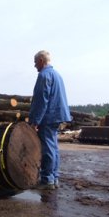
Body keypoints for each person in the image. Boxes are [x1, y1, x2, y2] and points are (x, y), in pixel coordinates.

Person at [29, 50, 71, 190]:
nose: (35, 65)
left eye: (35, 62)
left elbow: (41, 100)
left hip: (48, 117)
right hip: (56, 115)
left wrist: (35, 121)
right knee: (53, 147)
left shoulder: (44, 75)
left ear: (41, 60)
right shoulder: (56, 75)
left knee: (47, 148)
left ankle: (47, 180)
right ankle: (54, 177)